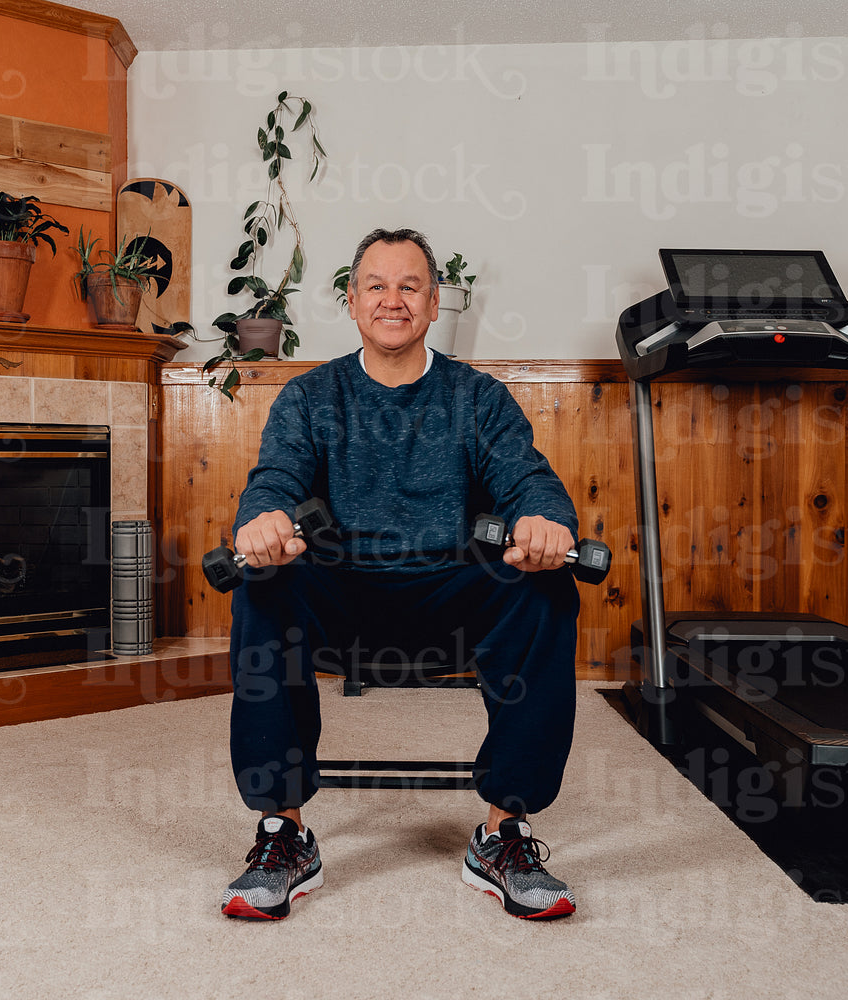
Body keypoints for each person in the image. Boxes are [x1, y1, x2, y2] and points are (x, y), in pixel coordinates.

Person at [218, 228, 582, 922]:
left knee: (542, 584)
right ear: (352, 302)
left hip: (450, 601)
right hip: (342, 597)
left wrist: (544, 520)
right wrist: (263, 520)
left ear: (433, 301)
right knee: (263, 583)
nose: (393, 300)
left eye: (409, 285)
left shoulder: (478, 398)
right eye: (376, 286)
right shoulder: (310, 397)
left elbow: (526, 478)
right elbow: (276, 478)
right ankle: (283, 831)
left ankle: (505, 832)